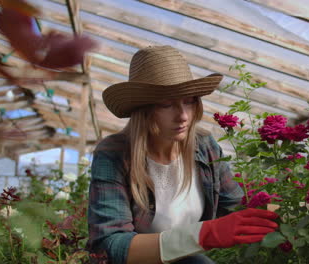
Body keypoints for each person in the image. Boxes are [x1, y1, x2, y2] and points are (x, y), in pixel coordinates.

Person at [86, 45, 279, 264]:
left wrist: (287, 205)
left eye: (189, 101)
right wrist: (205, 234)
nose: (183, 115)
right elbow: (109, 246)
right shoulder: (114, 154)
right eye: (167, 104)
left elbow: (235, 206)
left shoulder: (205, 147)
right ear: (143, 110)